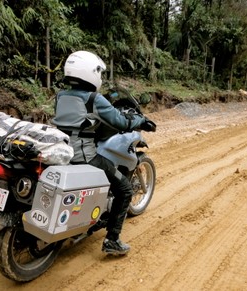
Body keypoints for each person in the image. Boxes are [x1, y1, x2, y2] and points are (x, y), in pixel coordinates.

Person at [51, 50, 156, 255]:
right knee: (125, 189)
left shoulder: (60, 96)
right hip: (86, 157)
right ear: (91, 72)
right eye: (98, 72)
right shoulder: (94, 98)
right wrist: (141, 121)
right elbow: (119, 120)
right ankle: (112, 240)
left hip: (62, 152)